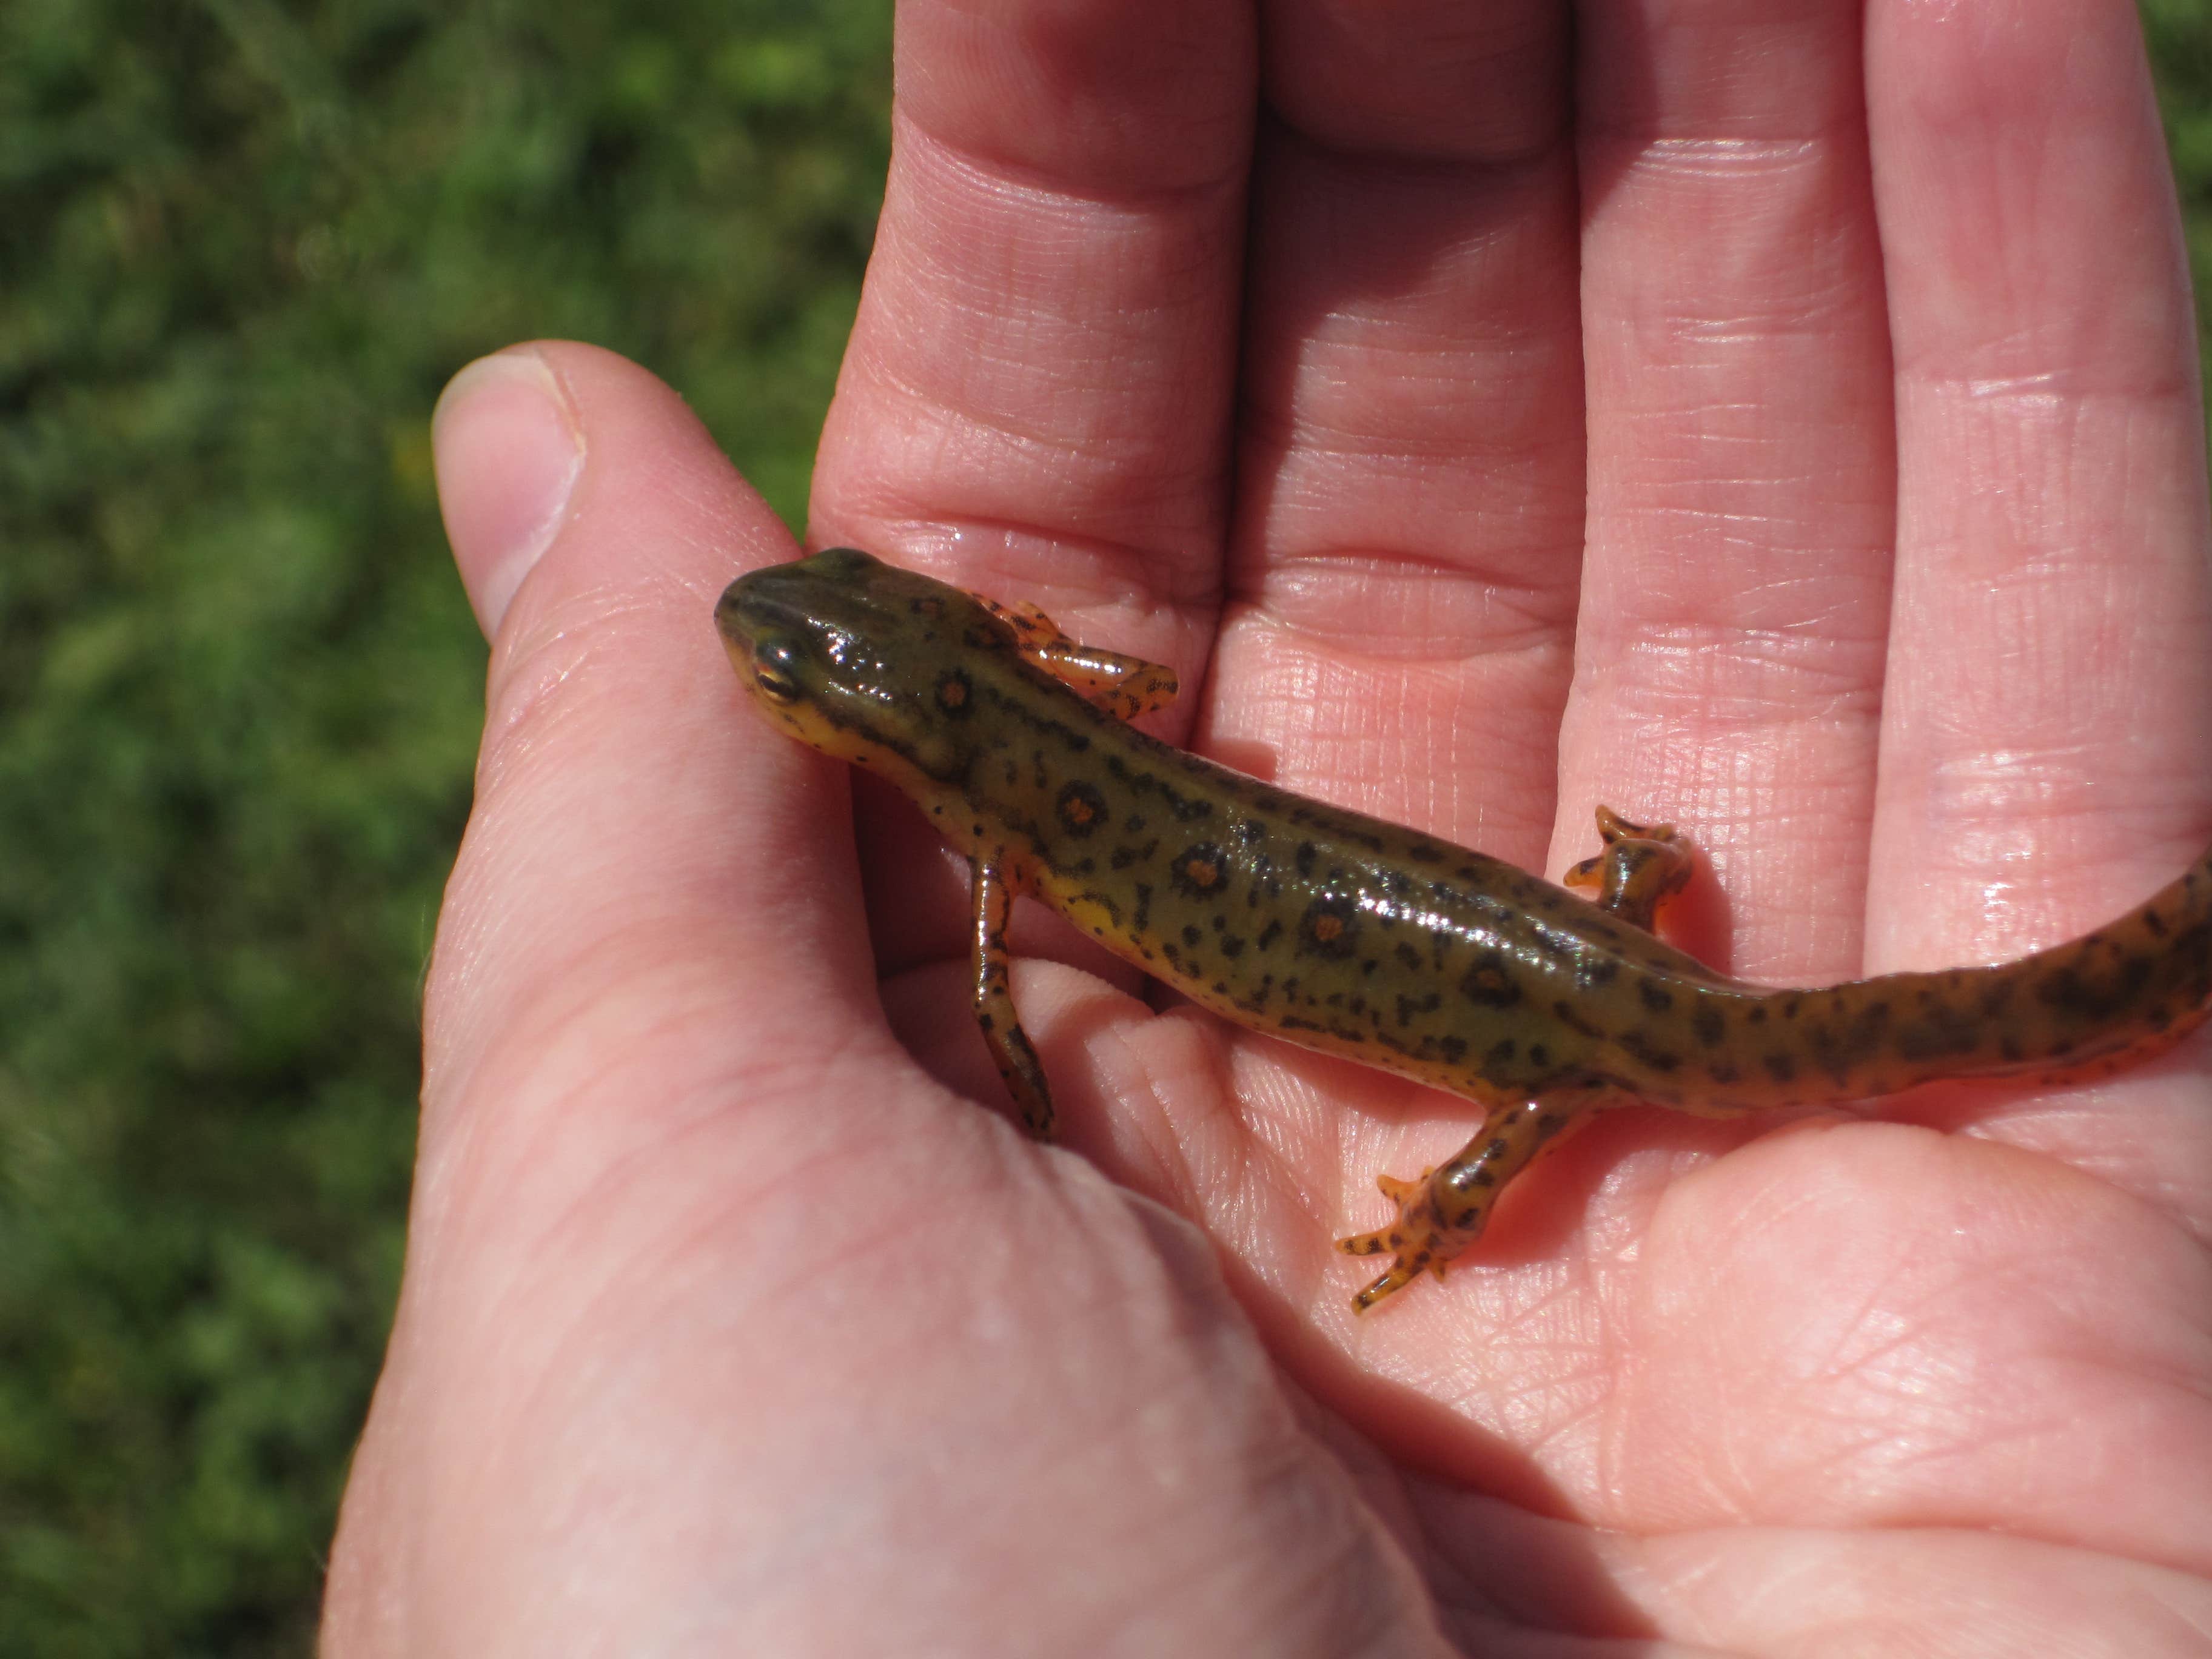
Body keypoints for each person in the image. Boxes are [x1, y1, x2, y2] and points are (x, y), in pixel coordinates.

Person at [322, 0, 2212, 1649]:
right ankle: (1687, 909)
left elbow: (1005, 988)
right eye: (817, 669)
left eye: (819, 667)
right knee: (1621, 984)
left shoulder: (1002, 851)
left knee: (1592, 1045)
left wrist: (1074, 1082)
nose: (777, 667)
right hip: (1555, 962)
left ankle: (1751, 974)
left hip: (1548, 1016)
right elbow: (1129, 710)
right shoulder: (1035, 747)